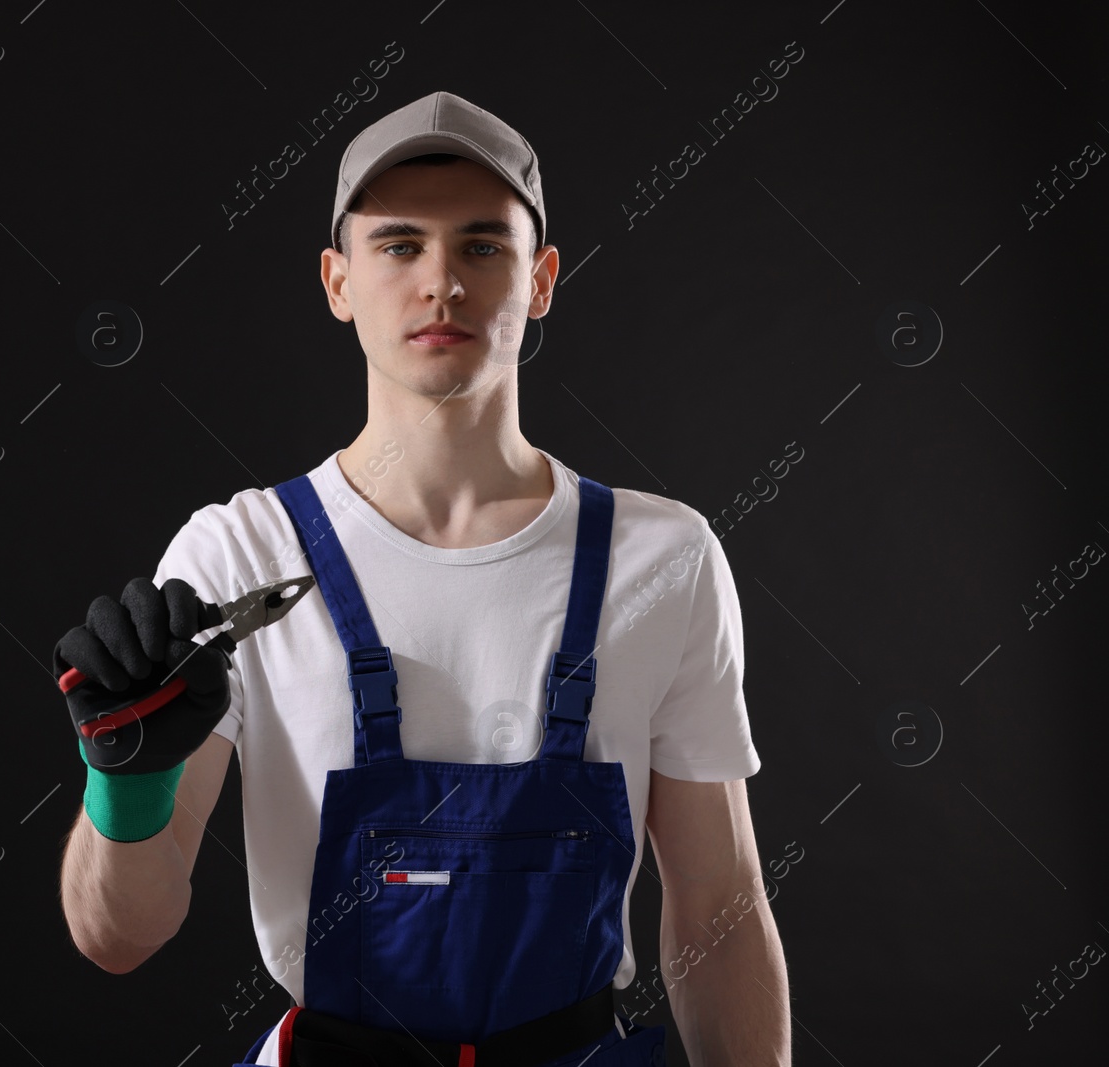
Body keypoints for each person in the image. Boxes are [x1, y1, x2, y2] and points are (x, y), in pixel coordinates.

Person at [57, 90, 792, 1066]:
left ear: (541, 279)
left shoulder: (662, 559)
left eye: (482, 245)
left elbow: (718, 902)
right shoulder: (235, 557)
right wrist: (126, 775)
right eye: (399, 244)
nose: (439, 280)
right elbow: (119, 933)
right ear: (336, 280)